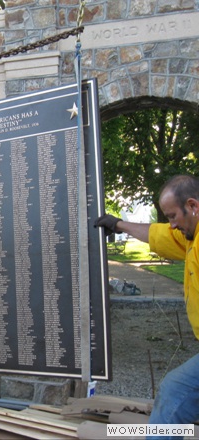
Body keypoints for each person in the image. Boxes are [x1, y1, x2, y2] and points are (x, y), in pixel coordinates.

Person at [95, 174, 199, 439]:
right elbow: (158, 234)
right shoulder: (191, 235)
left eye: (173, 216)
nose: (171, 224)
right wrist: (118, 224)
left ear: (193, 206)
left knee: (175, 390)